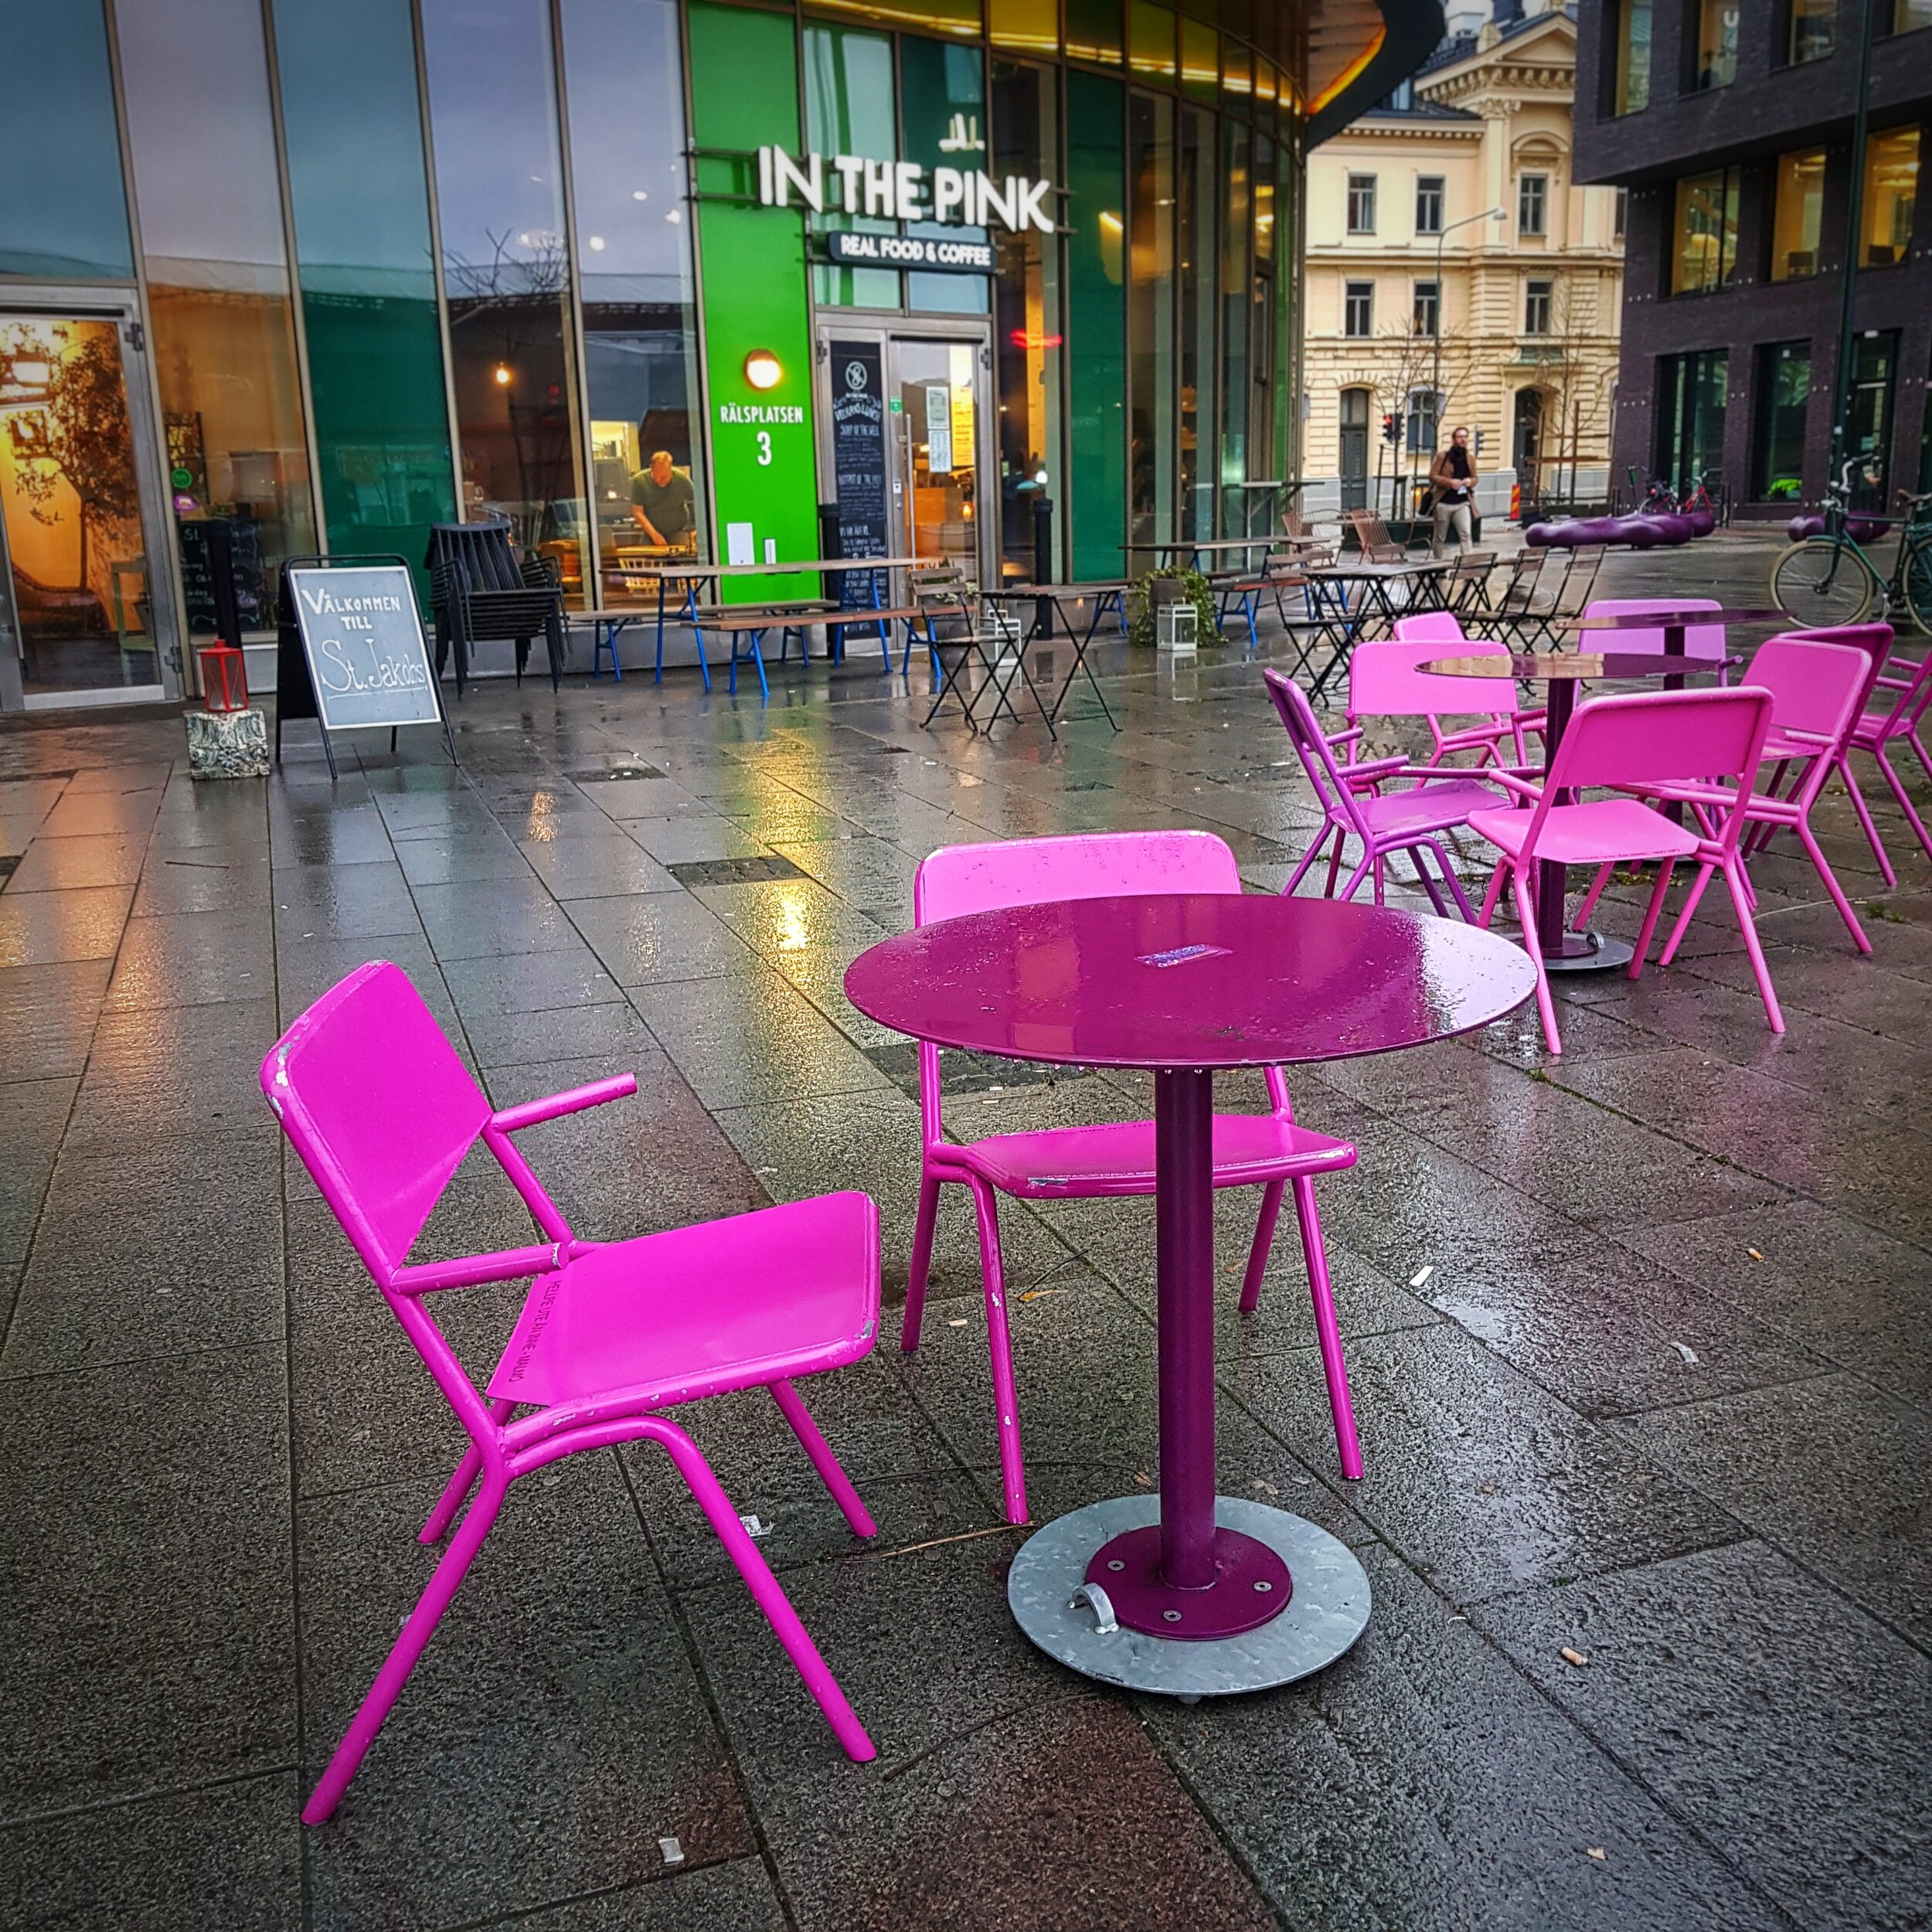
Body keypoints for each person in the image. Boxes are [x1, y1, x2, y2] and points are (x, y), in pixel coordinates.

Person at [630, 450, 695, 549]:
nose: (662, 479)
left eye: (666, 475)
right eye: (658, 475)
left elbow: (697, 502)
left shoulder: (681, 479)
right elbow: (638, 512)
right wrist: (654, 534)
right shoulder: (639, 481)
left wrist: (694, 528)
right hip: (651, 532)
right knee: (646, 559)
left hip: (678, 530)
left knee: (683, 555)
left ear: (671, 469)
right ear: (652, 469)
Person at [1429, 427, 1478, 557]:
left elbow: (1475, 477)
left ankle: (1467, 565)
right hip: (1444, 502)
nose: (1463, 440)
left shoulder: (1470, 458)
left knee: (1466, 534)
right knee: (1440, 537)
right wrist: (1450, 482)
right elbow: (1433, 476)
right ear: (1454, 439)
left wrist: (1470, 481)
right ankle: (1438, 566)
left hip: (1462, 503)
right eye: (1460, 437)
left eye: (1465, 437)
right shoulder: (1443, 457)